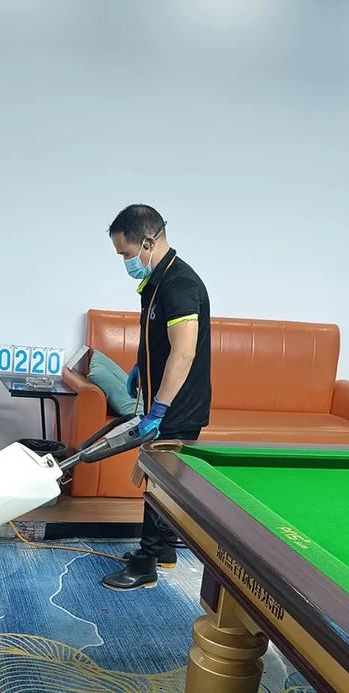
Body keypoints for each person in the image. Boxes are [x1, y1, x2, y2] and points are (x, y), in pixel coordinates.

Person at [102, 204, 211, 591]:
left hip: (178, 405)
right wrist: (139, 365)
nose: (126, 262)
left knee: (159, 479)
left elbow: (183, 353)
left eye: (127, 254)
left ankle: (146, 564)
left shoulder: (180, 284)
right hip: (162, 398)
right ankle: (164, 550)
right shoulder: (156, 281)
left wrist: (160, 409)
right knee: (161, 476)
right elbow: (159, 339)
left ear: (148, 242)